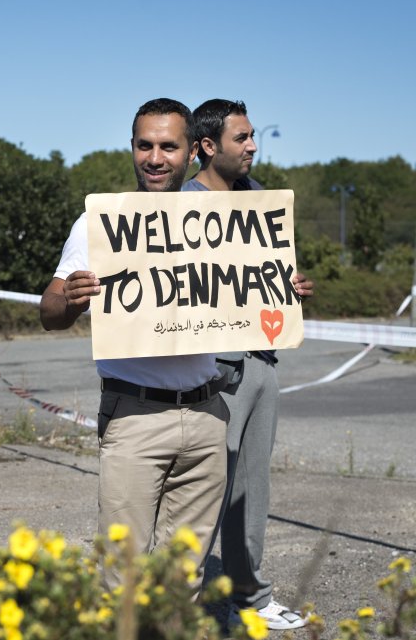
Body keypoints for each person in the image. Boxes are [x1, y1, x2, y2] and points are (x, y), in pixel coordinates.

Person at [39, 98, 229, 593]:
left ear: (192, 152)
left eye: (169, 146)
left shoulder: (223, 220)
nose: (155, 157)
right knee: (121, 578)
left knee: (184, 579)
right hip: (134, 417)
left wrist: (282, 287)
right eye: (145, 145)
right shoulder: (100, 224)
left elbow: (251, 286)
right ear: (132, 149)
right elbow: (49, 313)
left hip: (208, 415)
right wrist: (71, 299)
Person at [184, 99, 313, 630]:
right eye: (242, 138)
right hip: (212, 367)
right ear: (209, 146)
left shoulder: (262, 200)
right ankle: (176, 605)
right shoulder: (180, 203)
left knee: (250, 488)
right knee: (202, 491)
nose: (253, 146)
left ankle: (250, 597)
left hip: (263, 358)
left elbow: (272, 277)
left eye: (253, 135)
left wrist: (296, 288)